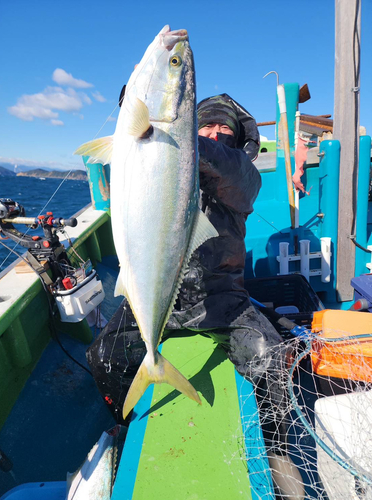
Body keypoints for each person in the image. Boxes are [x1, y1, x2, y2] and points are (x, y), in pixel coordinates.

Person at [87, 93, 289, 453]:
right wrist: (141, 117)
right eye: (205, 125)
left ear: (237, 138)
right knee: (105, 353)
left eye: (223, 127)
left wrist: (174, 135)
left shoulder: (243, 174)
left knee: (271, 359)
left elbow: (229, 169)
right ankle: (123, 426)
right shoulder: (164, 166)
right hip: (162, 295)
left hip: (223, 299)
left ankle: (275, 447)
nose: (213, 133)